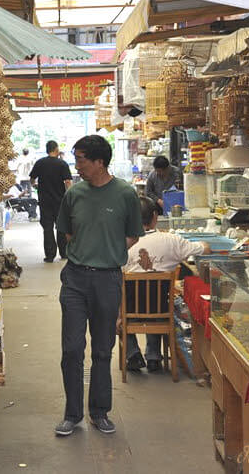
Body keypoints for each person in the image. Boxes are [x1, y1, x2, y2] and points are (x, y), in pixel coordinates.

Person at [54, 135, 144, 436]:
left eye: (81, 159)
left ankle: (100, 411)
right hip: (75, 279)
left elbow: (133, 234)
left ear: (98, 162)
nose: (77, 165)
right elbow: (65, 232)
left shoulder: (125, 194)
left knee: (103, 349)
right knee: (72, 349)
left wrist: (107, 252)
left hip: (107, 279)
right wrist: (85, 252)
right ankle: (72, 414)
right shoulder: (74, 194)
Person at [121, 197, 211, 373]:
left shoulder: (123, 244)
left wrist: (118, 314)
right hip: (161, 310)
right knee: (155, 300)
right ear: (155, 216)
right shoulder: (172, 240)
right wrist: (205, 243)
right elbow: (204, 249)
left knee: (116, 302)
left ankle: (132, 354)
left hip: (129, 311)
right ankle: (153, 356)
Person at [29, 140, 72, 262]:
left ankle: (50, 255)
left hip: (44, 201)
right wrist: (70, 196)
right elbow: (68, 182)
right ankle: (64, 253)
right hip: (60, 201)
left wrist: (36, 186)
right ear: (56, 149)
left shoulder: (40, 163)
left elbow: (32, 179)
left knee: (47, 228)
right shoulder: (62, 164)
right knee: (61, 227)